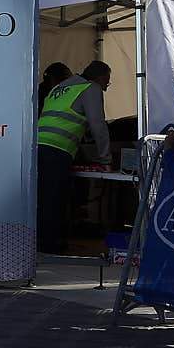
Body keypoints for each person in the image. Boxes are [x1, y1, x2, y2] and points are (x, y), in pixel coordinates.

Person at [34, 61, 112, 255]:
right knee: (53, 200)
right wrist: (105, 158)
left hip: (36, 147)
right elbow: (98, 125)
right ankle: (49, 248)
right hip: (57, 149)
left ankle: (36, 245)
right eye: (107, 83)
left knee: (40, 199)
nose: (105, 87)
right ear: (100, 77)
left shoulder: (59, 87)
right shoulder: (90, 88)